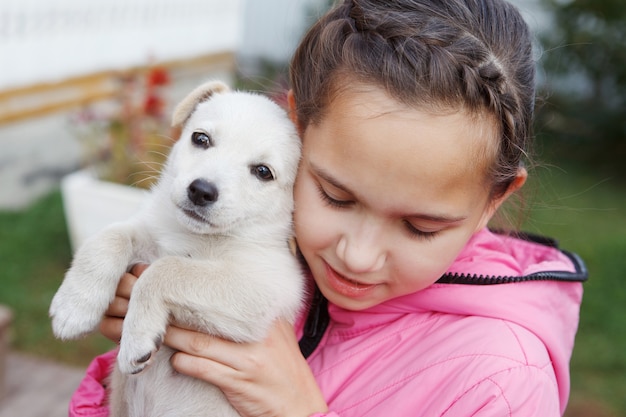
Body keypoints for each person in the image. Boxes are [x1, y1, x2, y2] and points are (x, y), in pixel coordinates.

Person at [68, 0, 587, 416]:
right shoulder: (276, 250)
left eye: (420, 227)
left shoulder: (502, 386)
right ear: (295, 127)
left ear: (494, 200)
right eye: (335, 196)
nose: (357, 257)